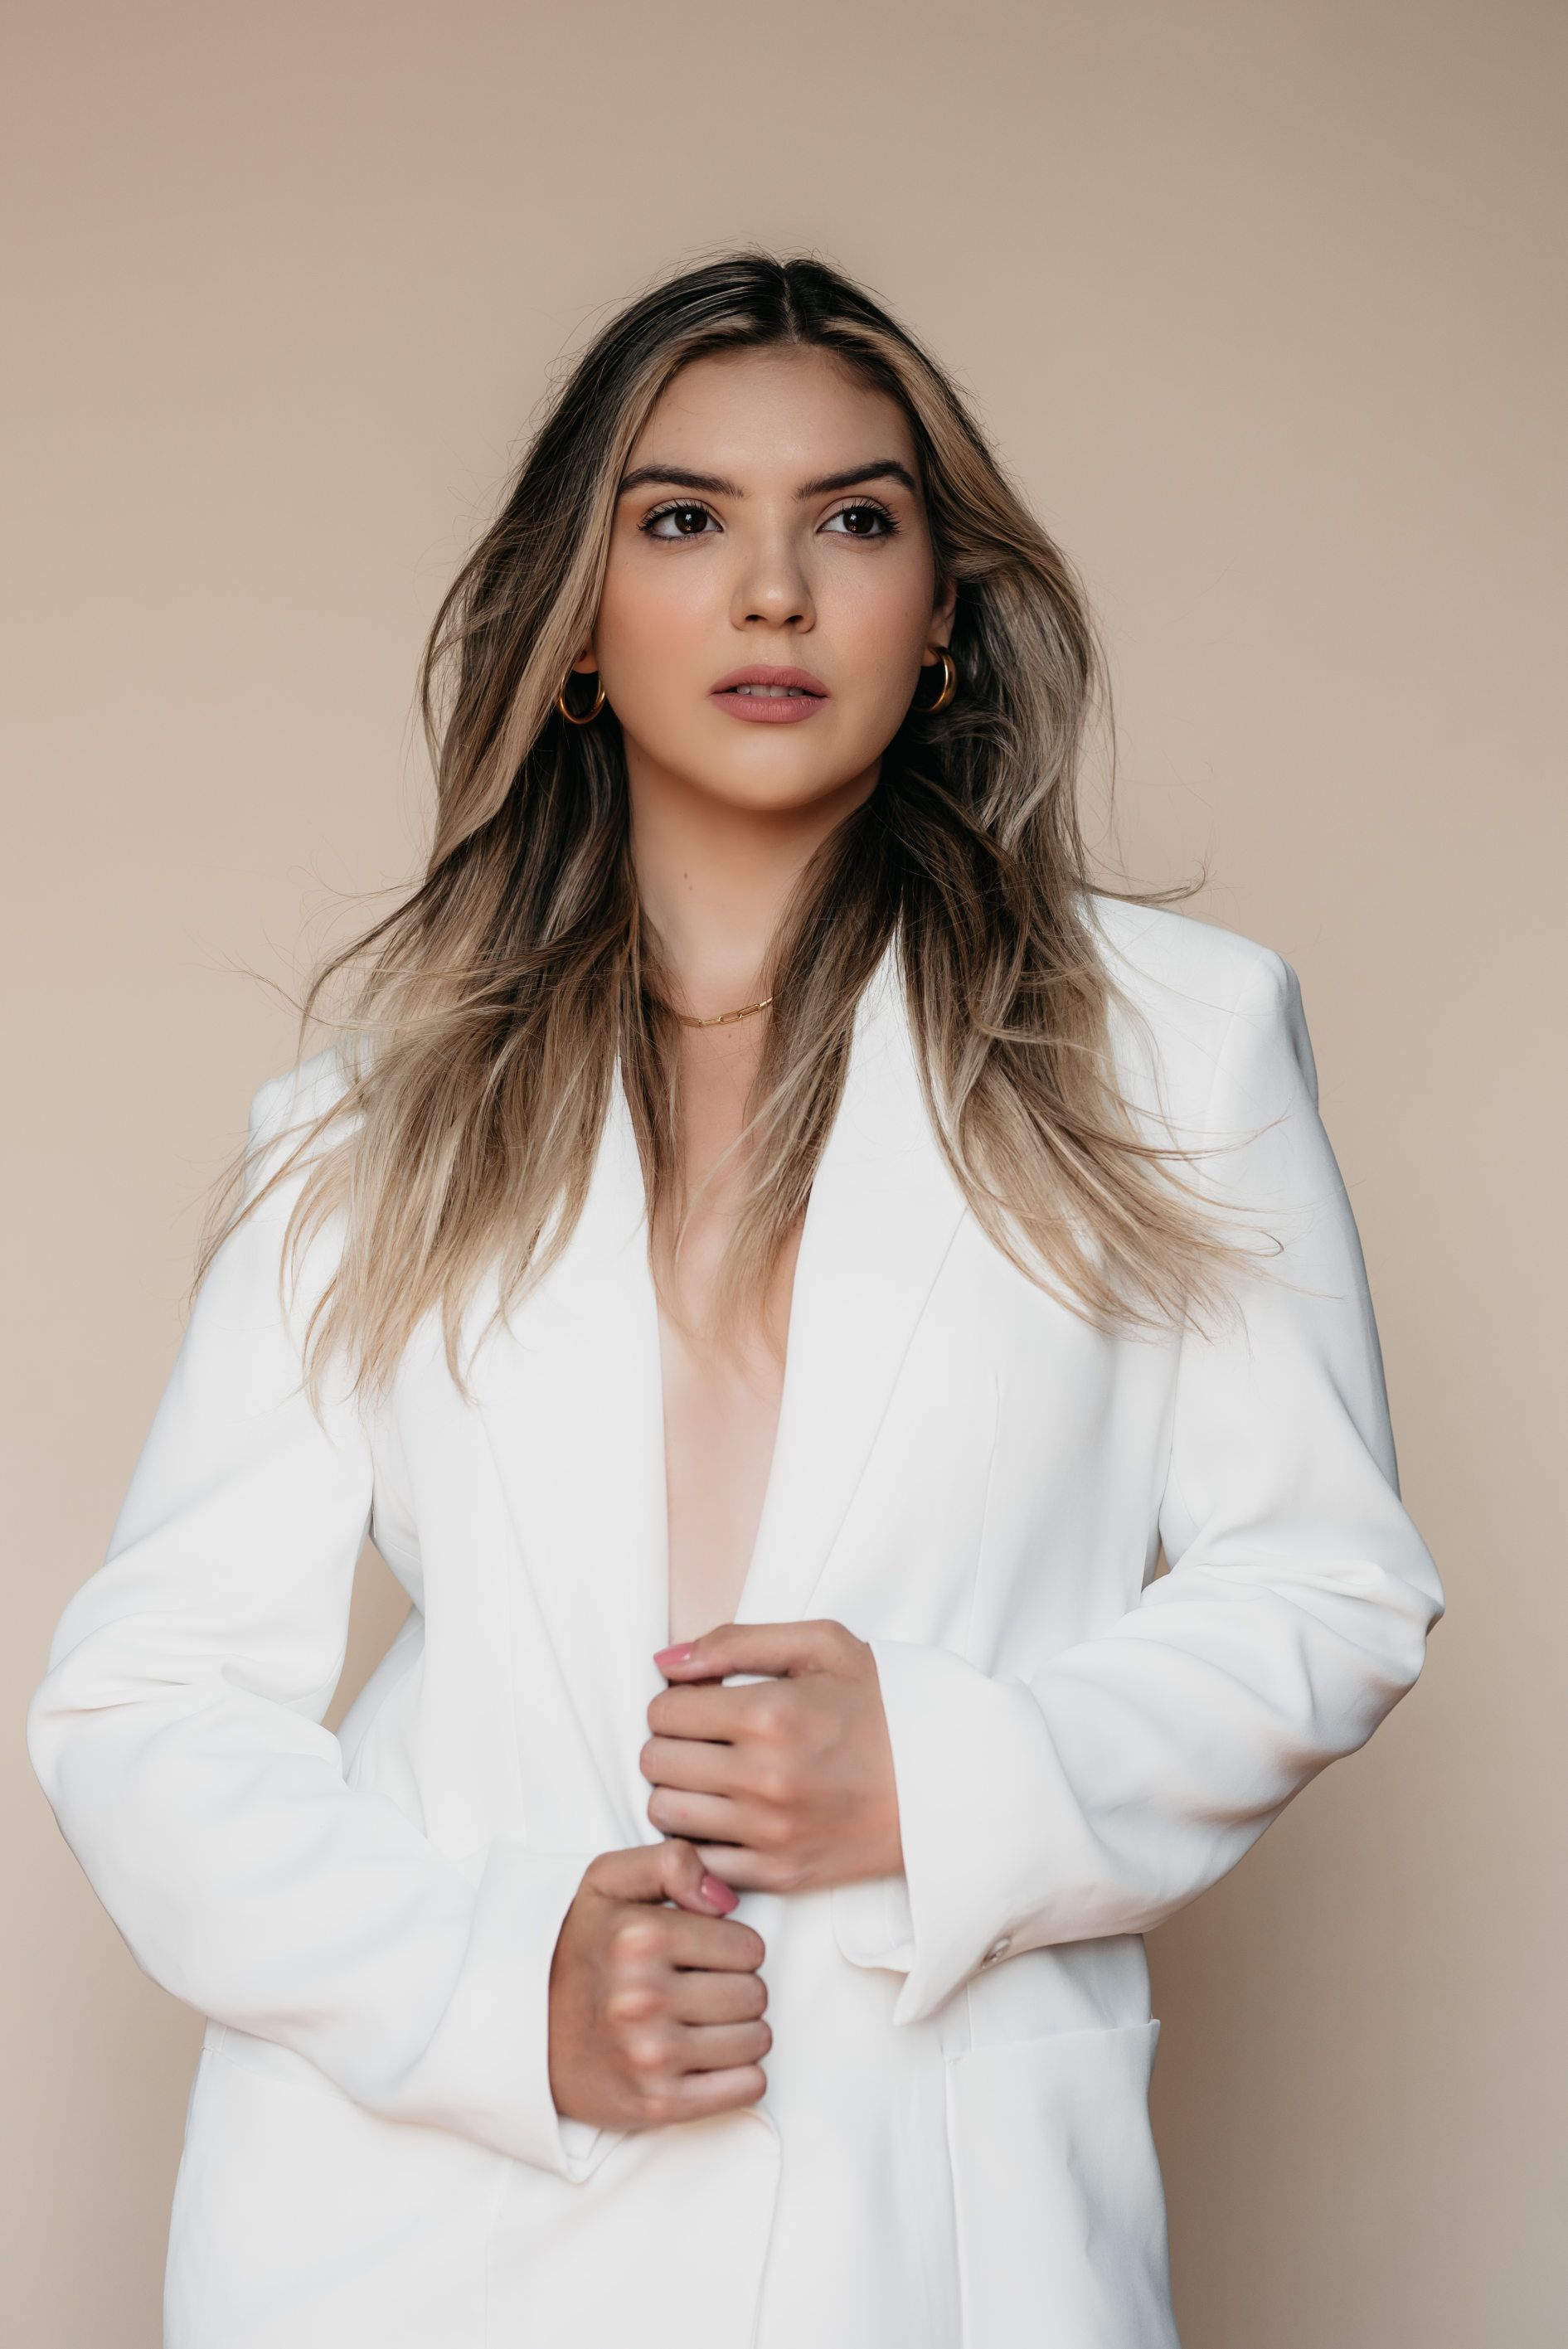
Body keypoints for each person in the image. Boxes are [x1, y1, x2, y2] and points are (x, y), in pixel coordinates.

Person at [26, 250, 1444, 2349]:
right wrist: (484, 1988)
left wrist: (943, 1782)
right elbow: (142, 1708)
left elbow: (1328, 1588)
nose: (772, 591)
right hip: (428, 2227)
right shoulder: (356, 1130)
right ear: (580, 624)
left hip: (931, 2223)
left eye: (854, 520)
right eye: (682, 519)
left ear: (941, 613)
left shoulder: (1178, 1045)